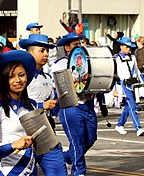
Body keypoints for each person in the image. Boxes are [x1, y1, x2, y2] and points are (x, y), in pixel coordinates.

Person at [51, 31, 107, 176]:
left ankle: (66, 158)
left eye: (80, 43)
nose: (80, 46)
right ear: (67, 48)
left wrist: (102, 103)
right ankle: (79, 172)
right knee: (76, 141)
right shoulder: (60, 64)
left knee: (90, 138)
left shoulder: (87, 60)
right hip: (71, 107)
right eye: (76, 44)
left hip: (87, 105)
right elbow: (63, 88)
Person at [19, 34, 68, 176]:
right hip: (25, 131)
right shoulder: (22, 77)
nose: (46, 54)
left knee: (58, 170)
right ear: (29, 52)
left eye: (47, 50)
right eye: (41, 50)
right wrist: (42, 105)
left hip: (46, 128)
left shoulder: (47, 77)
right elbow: (17, 104)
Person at [0, 50, 38, 175]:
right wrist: (13, 145)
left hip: (31, 170)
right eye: (11, 76)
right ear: (4, 80)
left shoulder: (33, 105)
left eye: (21, 75)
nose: (18, 80)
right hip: (8, 171)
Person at [114, 37, 144, 136]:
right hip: (124, 83)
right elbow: (114, 75)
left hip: (133, 84)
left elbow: (137, 71)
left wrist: (142, 82)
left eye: (130, 48)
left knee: (129, 105)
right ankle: (138, 128)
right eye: (127, 47)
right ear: (121, 46)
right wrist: (114, 90)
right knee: (132, 106)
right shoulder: (117, 59)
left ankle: (120, 124)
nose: (129, 49)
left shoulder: (133, 57)